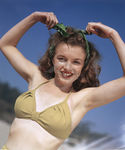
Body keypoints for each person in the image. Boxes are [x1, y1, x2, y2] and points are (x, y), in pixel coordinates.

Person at [0, 11, 125, 150]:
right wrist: (34, 17)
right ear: (53, 58)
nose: (67, 67)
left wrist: (113, 35)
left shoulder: (81, 100)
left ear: (84, 66)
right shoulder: (36, 79)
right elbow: (6, 45)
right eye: (62, 59)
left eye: (76, 62)